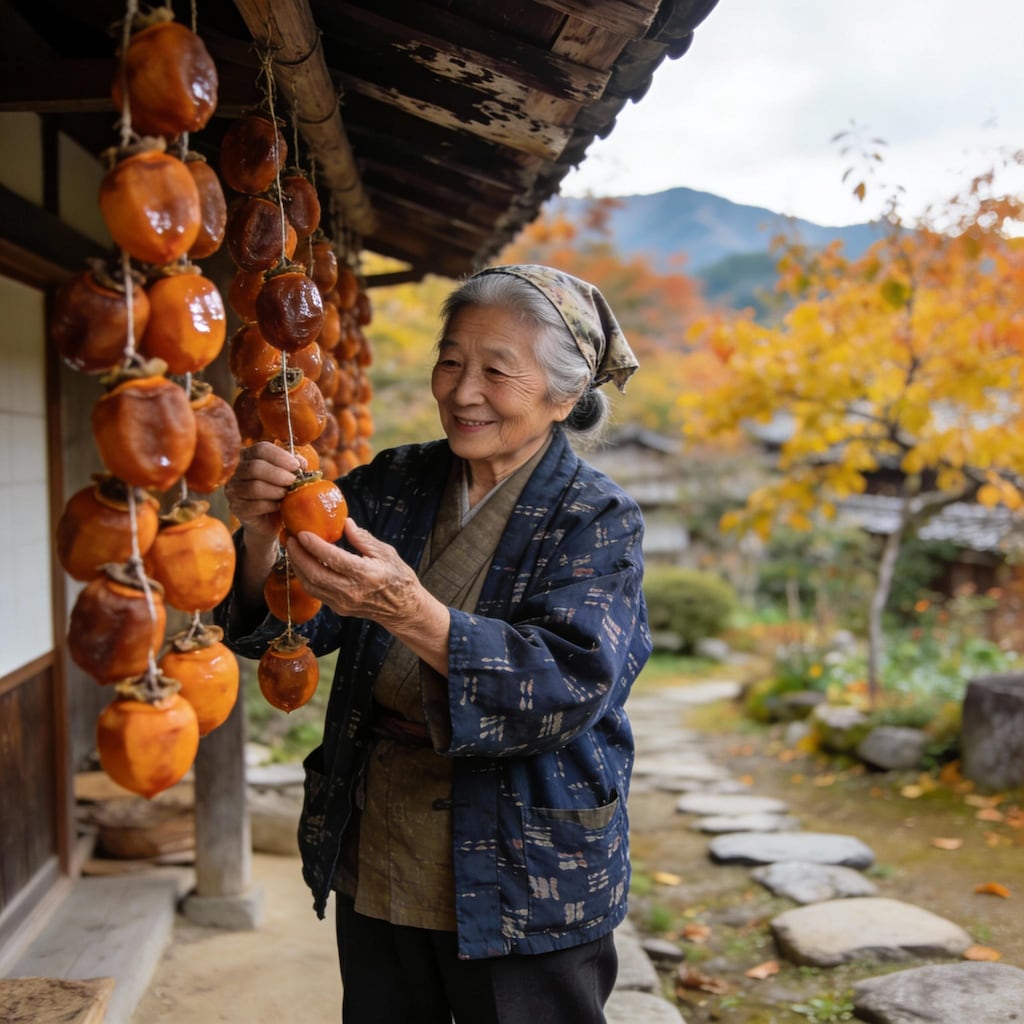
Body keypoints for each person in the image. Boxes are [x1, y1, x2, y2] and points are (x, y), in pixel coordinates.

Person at [218, 264, 652, 1024]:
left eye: (496, 371)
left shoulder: (597, 518)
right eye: (450, 361)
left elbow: (566, 685)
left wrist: (413, 611)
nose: (462, 390)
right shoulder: (394, 481)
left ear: (562, 395)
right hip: (383, 827)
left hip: (527, 854)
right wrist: (261, 537)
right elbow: (297, 621)